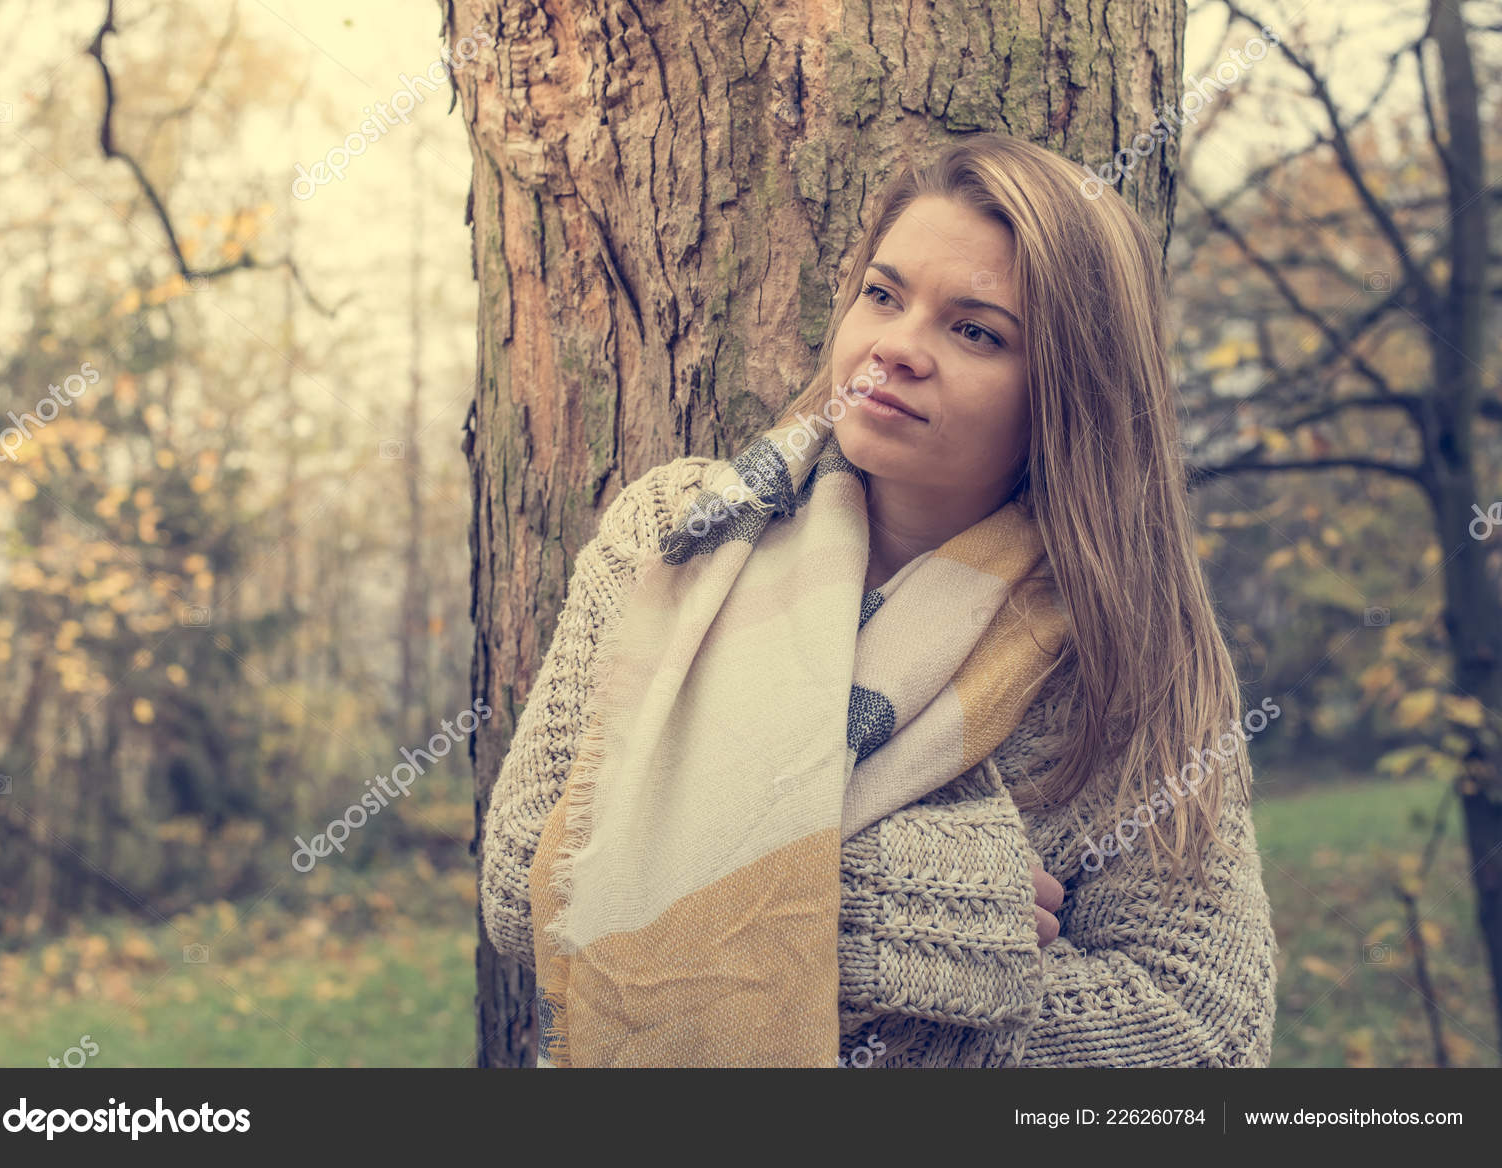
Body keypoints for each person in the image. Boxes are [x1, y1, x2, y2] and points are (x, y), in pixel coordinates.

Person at [479, 131, 1278, 1068]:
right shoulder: (684, 530)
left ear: (1068, 391)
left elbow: (1203, 1028)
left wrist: (706, 893)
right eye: (884, 295)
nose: (897, 346)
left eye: (975, 330)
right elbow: (520, 882)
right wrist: (927, 915)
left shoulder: (1119, 649)